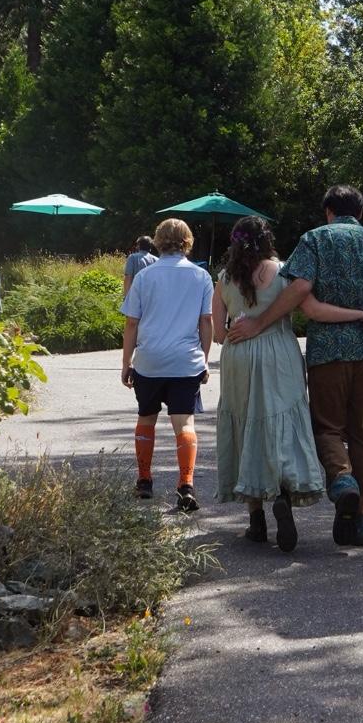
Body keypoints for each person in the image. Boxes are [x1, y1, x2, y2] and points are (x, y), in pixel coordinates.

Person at [227, 184, 363, 548]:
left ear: (328, 211)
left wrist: (259, 323)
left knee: (327, 428)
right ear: (360, 212)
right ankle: (362, 514)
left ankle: (341, 479)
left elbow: (300, 288)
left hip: (328, 352)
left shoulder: (315, 239)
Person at [120, 218, 214, 513]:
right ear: (188, 241)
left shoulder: (144, 277)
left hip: (149, 360)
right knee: (184, 423)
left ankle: (144, 480)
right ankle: (186, 485)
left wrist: (126, 362)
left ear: (158, 241)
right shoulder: (201, 276)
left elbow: (131, 323)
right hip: (186, 362)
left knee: (146, 417)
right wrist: (205, 360)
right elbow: (206, 321)